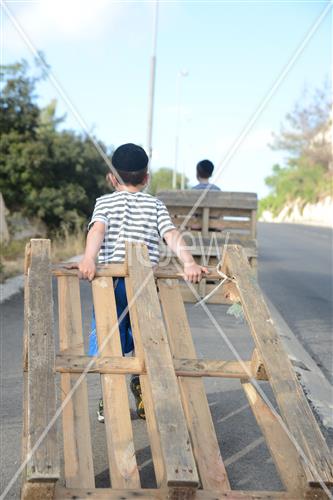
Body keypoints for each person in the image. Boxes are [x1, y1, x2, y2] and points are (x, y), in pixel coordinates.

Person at [77, 143, 208, 421]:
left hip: (111, 284)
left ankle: (109, 396)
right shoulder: (155, 204)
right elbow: (170, 234)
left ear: (112, 178)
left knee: (108, 337)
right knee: (146, 338)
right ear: (146, 177)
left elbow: (97, 229)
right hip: (145, 285)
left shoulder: (104, 202)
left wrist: (89, 258)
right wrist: (189, 262)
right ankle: (142, 388)